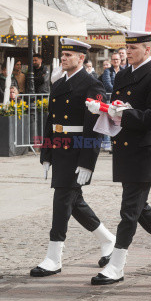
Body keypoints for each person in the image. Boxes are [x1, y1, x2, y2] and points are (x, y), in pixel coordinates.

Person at [87, 31, 151, 286]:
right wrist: (106, 110)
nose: (127, 52)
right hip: (125, 148)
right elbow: (119, 110)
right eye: (126, 48)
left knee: (129, 210)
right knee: (139, 208)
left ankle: (116, 265)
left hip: (143, 150)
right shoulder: (122, 75)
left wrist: (122, 113)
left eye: (134, 48)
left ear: (147, 50)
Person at [30, 38, 116, 278]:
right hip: (59, 148)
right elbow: (51, 121)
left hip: (78, 149)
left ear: (81, 59)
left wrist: (88, 161)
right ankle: (109, 240)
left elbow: (96, 126)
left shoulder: (92, 85)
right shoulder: (58, 84)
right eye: (63, 54)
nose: (64, 58)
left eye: (68, 54)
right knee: (74, 202)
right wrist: (46, 153)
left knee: (62, 199)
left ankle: (54, 257)